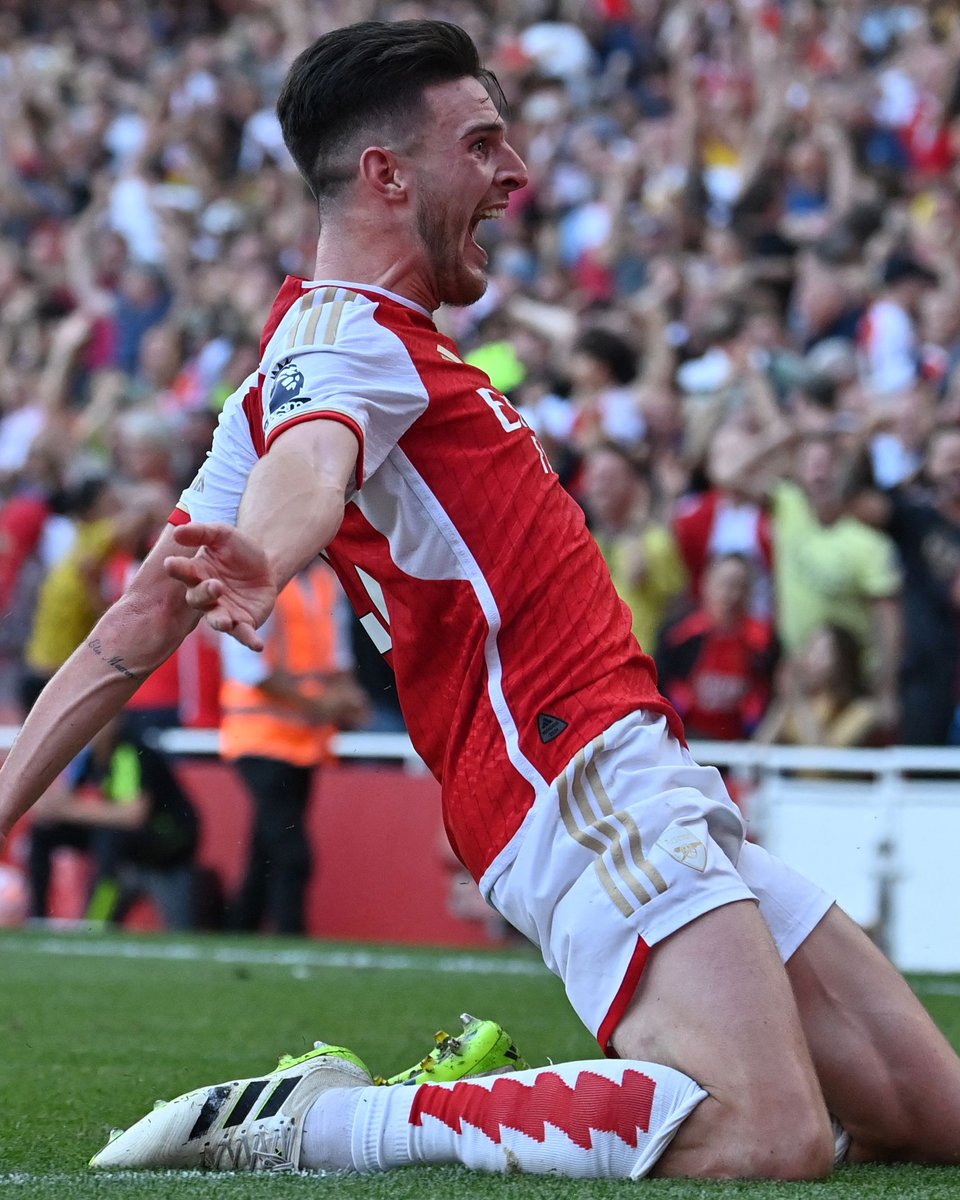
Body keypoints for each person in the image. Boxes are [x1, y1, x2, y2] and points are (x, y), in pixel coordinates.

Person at [2, 19, 960, 1182]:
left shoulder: (309, 362)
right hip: (572, 769)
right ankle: (326, 1123)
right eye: (485, 142)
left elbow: (137, 623)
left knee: (930, 1113)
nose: (517, 174)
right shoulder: (342, 343)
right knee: (767, 1135)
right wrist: (270, 547)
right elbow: (315, 464)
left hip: (628, 765)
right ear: (386, 174)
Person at [219, 560, 369, 934]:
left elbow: (338, 660)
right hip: (259, 738)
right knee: (292, 854)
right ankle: (291, 937)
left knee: (266, 852)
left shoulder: (324, 582)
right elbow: (251, 671)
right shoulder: (255, 582)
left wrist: (347, 698)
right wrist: (323, 705)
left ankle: (241, 929)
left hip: (302, 740)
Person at [656, 553, 775, 742]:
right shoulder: (678, 634)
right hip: (682, 741)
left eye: (741, 587)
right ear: (706, 585)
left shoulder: (765, 642)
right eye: (726, 585)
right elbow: (659, 686)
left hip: (739, 746)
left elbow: (768, 698)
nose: (733, 595)